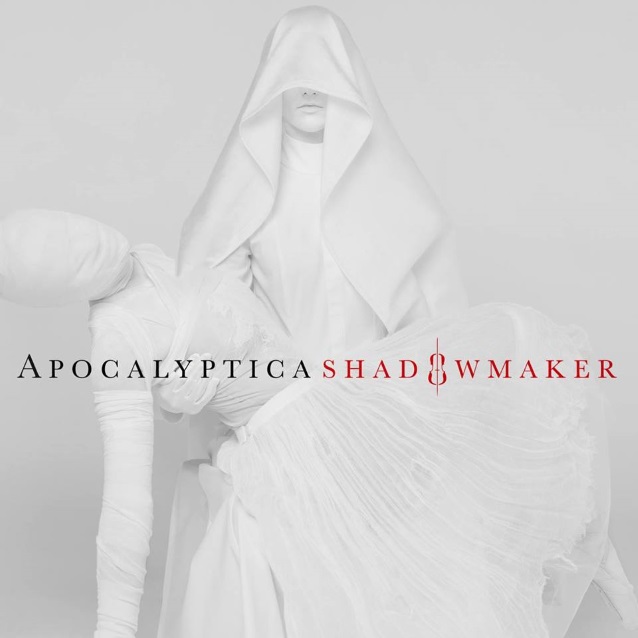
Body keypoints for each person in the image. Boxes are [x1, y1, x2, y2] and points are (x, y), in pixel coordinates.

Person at [1, 208, 634, 638]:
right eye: (61, 252)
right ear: (52, 285)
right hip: (290, 446)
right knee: (416, 547)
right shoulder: (115, 340)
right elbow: (125, 503)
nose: (83, 237)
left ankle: (616, 591)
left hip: (336, 394)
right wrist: (113, 627)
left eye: (70, 226)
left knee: (501, 430)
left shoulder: (152, 259)